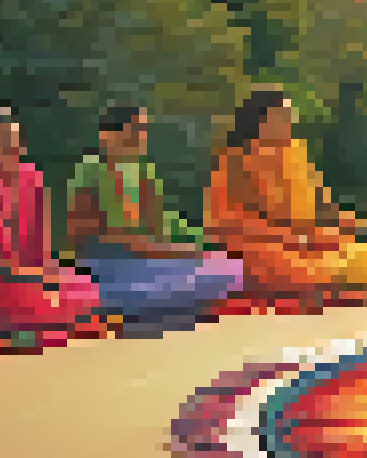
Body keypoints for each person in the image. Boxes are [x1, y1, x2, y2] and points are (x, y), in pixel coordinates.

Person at [61, 105, 245, 324]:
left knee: (231, 267)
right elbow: (120, 239)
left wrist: (204, 241)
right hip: (107, 267)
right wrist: (180, 252)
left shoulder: (143, 171)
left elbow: (160, 224)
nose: (140, 137)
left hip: (148, 262)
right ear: (108, 135)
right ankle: (115, 303)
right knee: (158, 285)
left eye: (142, 130)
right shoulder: (93, 170)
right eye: (133, 130)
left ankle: (163, 299)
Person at [204, 88, 367, 305]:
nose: (287, 123)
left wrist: (341, 220)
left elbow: (319, 204)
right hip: (260, 244)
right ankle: (324, 283)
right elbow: (225, 223)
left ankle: (331, 280)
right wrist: (284, 236)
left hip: (305, 239)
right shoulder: (235, 159)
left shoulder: (296, 153)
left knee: (363, 254)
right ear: (259, 121)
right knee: (286, 265)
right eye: (280, 117)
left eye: (289, 117)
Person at [0, 106, 102, 339]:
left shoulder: (31, 178)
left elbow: (41, 251)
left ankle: (38, 321)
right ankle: (26, 325)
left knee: (83, 284)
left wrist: (50, 274)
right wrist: (32, 277)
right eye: (4, 141)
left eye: (15, 140)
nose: (14, 149)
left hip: (29, 282)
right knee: (39, 303)